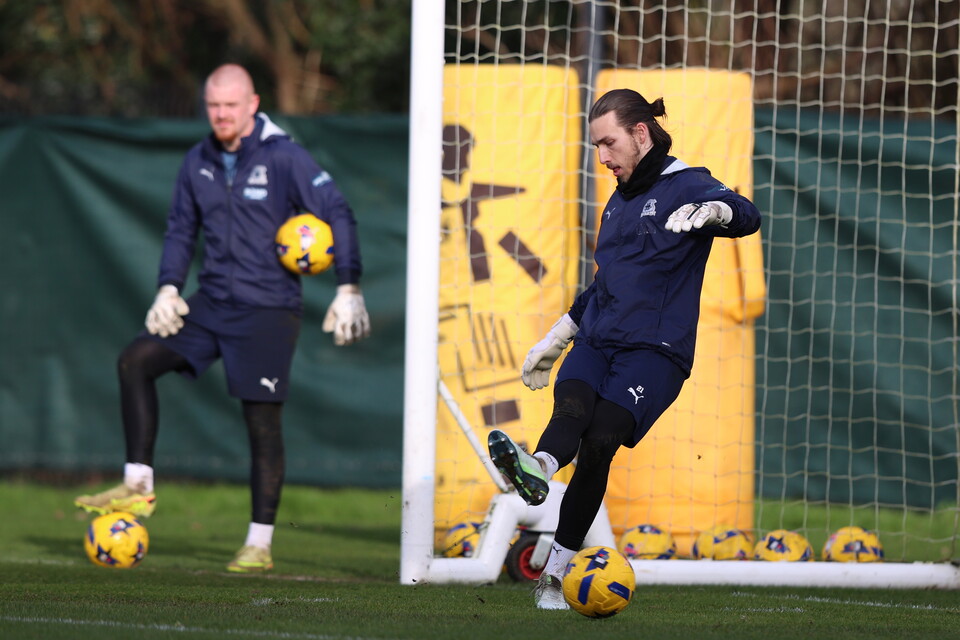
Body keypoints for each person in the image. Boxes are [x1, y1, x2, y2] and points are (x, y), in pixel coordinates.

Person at [74, 63, 370, 573]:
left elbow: (337, 210)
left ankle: (258, 544)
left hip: (268, 309)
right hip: (210, 303)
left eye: (231, 105)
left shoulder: (284, 157)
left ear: (253, 104)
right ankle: (139, 484)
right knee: (136, 360)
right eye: (213, 105)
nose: (222, 114)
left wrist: (348, 286)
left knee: (261, 424)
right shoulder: (199, 160)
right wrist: (168, 287)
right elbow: (179, 230)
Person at [487, 88, 761, 609]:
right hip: (598, 337)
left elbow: (747, 214)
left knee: (600, 441)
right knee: (571, 405)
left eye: (608, 143)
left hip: (654, 352)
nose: (603, 158)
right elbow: (605, 282)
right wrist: (561, 331)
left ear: (640, 133)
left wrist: (716, 210)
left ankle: (555, 576)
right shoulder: (616, 201)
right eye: (596, 147)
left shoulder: (688, 185)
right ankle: (540, 469)